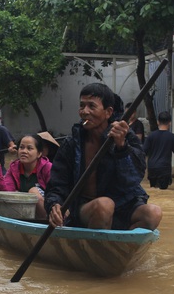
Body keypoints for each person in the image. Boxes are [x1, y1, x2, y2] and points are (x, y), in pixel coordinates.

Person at [46, 83, 162, 231]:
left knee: (153, 213)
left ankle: (119, 246)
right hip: (84, 208)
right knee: (104, 205)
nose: (85, 112)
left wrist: (121, 147)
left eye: (91, 106)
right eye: (82, 106)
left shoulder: (126, 138)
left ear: (108, 112)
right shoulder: (72, 144)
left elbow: (134, 179)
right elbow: (57, 184)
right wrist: (55, 204)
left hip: (121, 205)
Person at [0, 133, 54, 220]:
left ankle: (44, 222)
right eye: (21, 147)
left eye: (29, 148)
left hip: (48, 212)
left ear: (39, 154)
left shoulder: (48, 167)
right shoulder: (14, 168)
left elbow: (55, 192)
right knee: (15, 193)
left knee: (33, 191)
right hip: (26, 213)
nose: (24, 151)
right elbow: (5, 194)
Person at [143, 110, 174, 189]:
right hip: (164, 169)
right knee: (163, 192)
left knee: (154, 191)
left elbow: (143, 153)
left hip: (152, 168)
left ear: (158, 122)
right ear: (170, 123)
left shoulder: (151, 136)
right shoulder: (172, 137)